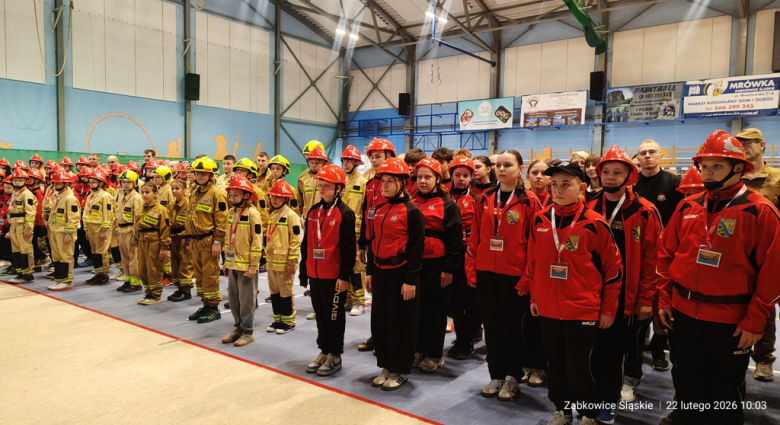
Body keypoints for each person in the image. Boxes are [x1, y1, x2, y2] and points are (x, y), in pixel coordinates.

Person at [657, 130, 780, 425]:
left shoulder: (760, 211)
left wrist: (755, 321)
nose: (708, 173)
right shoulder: (688, 206)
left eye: (717, 166)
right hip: (683, 313)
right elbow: (666, 255)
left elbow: (773, 272)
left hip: (731, 320)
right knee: (685, 375)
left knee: (724, 387)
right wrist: (664, 297)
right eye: (704, 166)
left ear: (738, 168)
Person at [517, 161, 623, 425]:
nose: (558, 189)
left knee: (581, 366)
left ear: (582, 188)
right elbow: (533, 263)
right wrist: (534, 297)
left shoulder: (594, 224)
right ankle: (561, 409)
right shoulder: (541, 219)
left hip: (583, 310)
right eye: (554, 184)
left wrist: (608, 309)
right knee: (555, 363)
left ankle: (587, 413)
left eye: (566, 184)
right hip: (548, 308)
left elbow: (613, 270)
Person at [584, 146, 662, 424]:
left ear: (630, 175)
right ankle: (588, 401)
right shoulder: (588, 205)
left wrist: (644, 298)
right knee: (590, 351)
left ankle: (608, 400)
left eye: (617, 172)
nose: (609, 177)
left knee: (614, 352)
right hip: (589, 294)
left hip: (625, 298)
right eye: (605, 171)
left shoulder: (644, 211)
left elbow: (654, 259)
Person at [465, 150, 544, 401]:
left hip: (514, 277)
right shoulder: (484, 198)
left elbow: (535, 246)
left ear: (520, 169)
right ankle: (496, 375)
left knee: (513, 330)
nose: (501, 169)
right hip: (487, 273)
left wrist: (527, 278)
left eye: (507, 165)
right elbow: (475, 237)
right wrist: (472, 268)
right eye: (497, 165)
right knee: (493, 329)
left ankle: (512, 377)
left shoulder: (530, 201)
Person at [367, 157, 424, 391]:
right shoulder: (379, 209)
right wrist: (370, 272)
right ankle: (386, 365)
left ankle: (400, 369)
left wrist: (411, 280)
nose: (385, 185)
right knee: (380, 321)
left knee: (401, 323)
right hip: (380, 273)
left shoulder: (412, 212)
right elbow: (372, 242)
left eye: (390, 181)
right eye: (383, 181)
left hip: (402, 275)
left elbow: (417, 249)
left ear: (402, 183)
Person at [631, 139, 684, 382]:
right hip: (639, 252)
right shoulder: (631, 183)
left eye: (652, 152)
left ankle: (659, 351)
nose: (648, 156)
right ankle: (638, 345)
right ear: (638, 158)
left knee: (662, 305)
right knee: (640, 303)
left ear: (661, 155)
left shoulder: (673, 182)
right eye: (643, 153)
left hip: (668, 254)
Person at [300, 165, 356, 374]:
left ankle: (335, 355)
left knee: (334, 317)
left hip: (334, 276)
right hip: (315, 274)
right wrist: (304, 271)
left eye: (327, 186)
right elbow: (306, 244)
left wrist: (344, 276)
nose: (321, 189)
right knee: (321, 316)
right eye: (320, 185)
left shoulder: (345, 214)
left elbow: (349, 248)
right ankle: (324, 350)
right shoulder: (313, 211)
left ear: (339, 188)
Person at [735, 128, 780, 382]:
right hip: (743, 256)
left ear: (762, 145)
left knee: (769, 303)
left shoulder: (776, 177)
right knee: (759, 308)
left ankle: (764, 359)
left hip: (774, 252)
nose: (743, 146)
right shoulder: (734, 176)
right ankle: (762, 359)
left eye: (748, 143)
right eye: (739, 143)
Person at [412, 158, 463, 372]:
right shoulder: (412, 202)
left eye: (428, 177)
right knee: (417, 310)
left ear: (438, 179)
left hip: (438, 265)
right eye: (419, 177)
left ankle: (434, 354)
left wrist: (449, 268)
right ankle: (419, 350)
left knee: (435, 310)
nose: (422, 181)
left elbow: (455, 239)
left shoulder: (448, 204)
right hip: (415, 265)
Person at [356, 138, 397, 353]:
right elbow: (366, 214)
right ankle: (377, 335)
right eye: (371, 156)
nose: (373, 160)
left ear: (390, 157)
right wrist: (362, 243)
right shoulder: (371, 184)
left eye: (378, 156)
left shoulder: (401, 184)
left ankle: (392, 336)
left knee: (393, 299)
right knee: (377, 296)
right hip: (373, 245)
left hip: (393, 248)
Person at [220, 175, 263, 347]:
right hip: (232, 263)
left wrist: (254, 264)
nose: (232, 198)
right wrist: (226, 262)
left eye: (236, 195)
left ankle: (248, 331)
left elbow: (257, 240)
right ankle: (237, 328)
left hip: (246, 265)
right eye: (231, 195)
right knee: (233, 299)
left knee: (247, 301)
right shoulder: (231, 213)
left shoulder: (253, 214)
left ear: (246, 195)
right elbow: (228, 239)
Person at [184, 157, 228, 323]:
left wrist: (218, 242)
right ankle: (205, 304)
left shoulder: (217, 195)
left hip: (209, 241)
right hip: (195, 241)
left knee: (210, 275)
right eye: (197, 173)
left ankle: (213, 308)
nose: (200, 175)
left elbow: (221, 220)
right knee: (199, 275)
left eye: (204, 173)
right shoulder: (195, 192)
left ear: (211, 175)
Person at [447, 156, 481, 360]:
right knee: (453, 301)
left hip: (467, 254)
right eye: (457, 175)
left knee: (467, 300)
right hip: (447, 254)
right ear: (451, 175)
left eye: (465, 176)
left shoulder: (477, 199)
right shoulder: (443, 197)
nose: (461, 179)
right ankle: (461, 339)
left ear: (471, 177)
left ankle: (466, 340)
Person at [264, 179, 302, 334]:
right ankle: (277, 319)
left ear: (286, 198)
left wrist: (292, 262)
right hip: (272, 261)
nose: (274, 199)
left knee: (286, 292)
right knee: (274, 292)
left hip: (285, 262)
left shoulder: (292, 216)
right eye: (272, 196)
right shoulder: (273, 215)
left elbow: (295, 240)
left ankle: (289, 321)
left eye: (278, 197)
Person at [340, 145, 368, 316]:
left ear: (357, 162)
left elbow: (366, 210)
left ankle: (359, 301)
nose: (347, 163)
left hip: (357, 232)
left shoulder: (363, 183)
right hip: (342, 231)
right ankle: (349, 299)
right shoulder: (341, 182)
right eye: (345, 160)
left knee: (358, 267)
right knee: (346, 265)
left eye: (350, 160)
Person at [132, 182, 170, 305]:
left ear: (155, 193)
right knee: (142, 269)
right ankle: (148, 292)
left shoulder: (161, 210)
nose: (144, 195)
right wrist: (135, 237)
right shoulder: (140, 208)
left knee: (153, 269)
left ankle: (156, 294)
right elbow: (136, 225)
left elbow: (165, 229)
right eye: (142, 192)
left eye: (147, 192)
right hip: (142, 241)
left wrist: (163, 247)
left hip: (154, 242)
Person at [114, 170, 144, 294]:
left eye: (128, 182)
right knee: (124, 257)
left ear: (134, 183)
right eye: (123, 182)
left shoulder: (136, 197)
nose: (125, 184)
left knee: (133, 258)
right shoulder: (121, 196)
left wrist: (135, 235)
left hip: (131, 230)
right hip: (121, 230)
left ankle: (135, 282)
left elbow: (138, 218)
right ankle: (127, 280)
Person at [83, 170, 114, 285]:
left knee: (101, 252)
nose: (90, 184)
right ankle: (98, 273)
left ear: (101, 183)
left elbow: (108, 214)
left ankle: (103, 275)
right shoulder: (90, 195)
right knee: (95, 252)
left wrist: (104, 230)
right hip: (91, 227)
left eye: (93, 182)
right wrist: (86, 228)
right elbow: (86, 212)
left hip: (101, 228)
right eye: (90, 182)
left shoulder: (106, 197)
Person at [6, 168, 37, 284]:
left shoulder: (27, 194)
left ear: (25, 181)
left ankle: (28, 274)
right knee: (16, 250)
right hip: (14, 224)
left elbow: (31, 211)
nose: (17, 182)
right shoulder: (15, 193)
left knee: (25, 249)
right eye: (15, 180)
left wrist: (28, 227)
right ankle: (20, 272)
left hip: (22, 225)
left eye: (20, 180)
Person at [167, 179, 194, 301]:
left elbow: (191, 225)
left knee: (185, 265)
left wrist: (189, 242)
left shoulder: (189, 205)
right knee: (175, 264)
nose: (174, 191)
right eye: (172, 188)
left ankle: (186, 290)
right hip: (174, 238)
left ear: (184, 190)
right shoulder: (171, 206)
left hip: (184, 239)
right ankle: (179, 288)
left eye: (177, 188)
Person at [298, 140, 326, 213]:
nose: (309, 157)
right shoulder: (302, 177)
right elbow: (301, 202)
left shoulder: (330, 177)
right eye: (306, 155)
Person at [74, 167, 93, 268]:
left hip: (89, 218)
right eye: (82, 176)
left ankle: (92, 258)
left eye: (86, 176)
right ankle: (89, 257)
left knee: (87, 240)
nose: (84, 178)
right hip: (81, 217)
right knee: (81, 239)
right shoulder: (80, 188)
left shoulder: (92, 189)